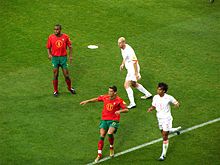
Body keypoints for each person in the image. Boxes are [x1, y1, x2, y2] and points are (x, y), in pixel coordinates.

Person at [80, 86, 128, 163]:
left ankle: (111, 147)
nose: (109, 93)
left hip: (114, 120)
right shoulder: (105, 97)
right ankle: (99, 154)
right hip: (104, 120)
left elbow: (126, 109)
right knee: (102, 135)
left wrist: (120, 111)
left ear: (115, 92)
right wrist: (87, 101)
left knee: (109, 133)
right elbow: (96, 99)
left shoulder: (119, 100)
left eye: (111, 91)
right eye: (109, 91)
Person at [147, 82, 181, 161]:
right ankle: (175, 130)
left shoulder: (169, 97)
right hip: (159, 118)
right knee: (163, 132)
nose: (157, 91)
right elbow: (154, 105)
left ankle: (163, 155)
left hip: (167, 118)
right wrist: (151, 108)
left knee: (165, 135)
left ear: (164, 91)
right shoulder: (155, 97)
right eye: (157, 89)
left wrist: (177, 105)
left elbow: (176, 103)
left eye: (159, 89)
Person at [118, 37, 152, 109]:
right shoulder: (122, 48)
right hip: (130, 69)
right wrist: (122, 64)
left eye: (120, 43)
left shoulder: (129, 50)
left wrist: (136, 73)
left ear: (124, 43)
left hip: (133, 69)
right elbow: (125, 57)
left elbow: (135, 61)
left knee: (126, 85)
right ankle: (148, 94)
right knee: (133, 84)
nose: (118, 44)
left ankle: (132, 103)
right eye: (118, 43)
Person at [46, 24, 76, 96]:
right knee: (55, 75)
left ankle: (69, 88)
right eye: (54, 29)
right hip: (55, 58)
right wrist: (49, 54)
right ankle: (55, 91)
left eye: (57, 29)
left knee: (66, 75)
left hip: (63, 58)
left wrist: (70, 56)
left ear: (60, 30)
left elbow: (70, 46)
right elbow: (48, 47)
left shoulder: (65, 37)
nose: (55, 31)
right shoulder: (51, 37)